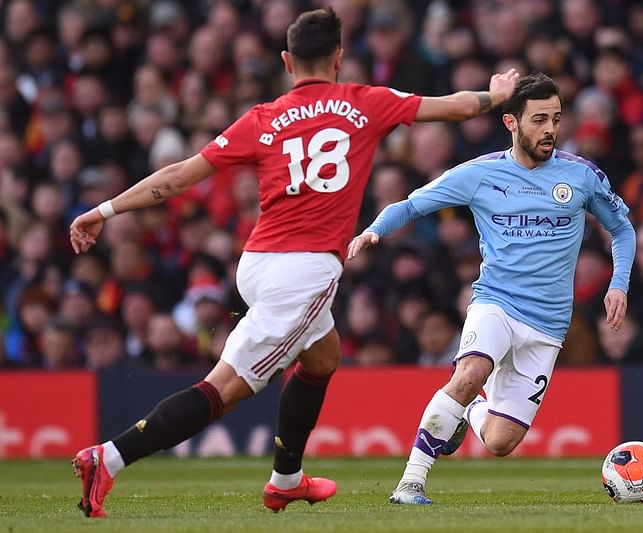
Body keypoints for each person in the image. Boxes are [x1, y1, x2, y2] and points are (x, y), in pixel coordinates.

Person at [67, 7, 519, 518]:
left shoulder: (261, 117)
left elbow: (176, 178)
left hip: (258, 262)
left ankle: (286, 479)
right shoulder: (366, 102)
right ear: (340, 58)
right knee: (226, 388)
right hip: (303, 273)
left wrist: (104, 210)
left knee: (322, 355)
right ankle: (108, 457)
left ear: (287, 61)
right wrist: (496, 96)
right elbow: (457, 108)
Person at [348, 73, 636, 505]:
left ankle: (470, 408)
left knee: (500, 442)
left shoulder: (581, 177)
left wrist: (618, 284)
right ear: (511, 123)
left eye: (556, 119)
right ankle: (411, 482)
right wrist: (374, 231)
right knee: (470, 372)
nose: (550, 130)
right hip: (496, 302)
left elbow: (623, 230)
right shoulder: (480, 174)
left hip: (548, 325)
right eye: (539, 120)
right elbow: (413, 204)